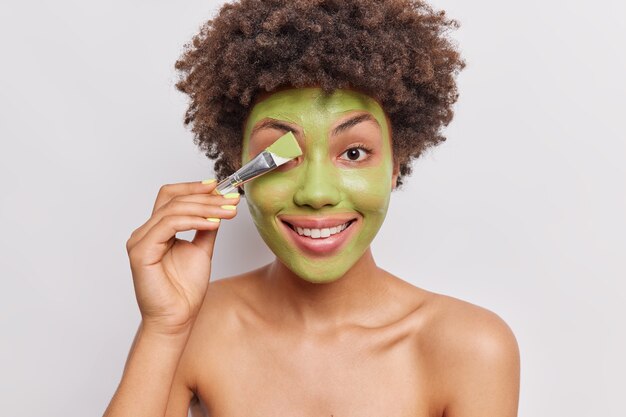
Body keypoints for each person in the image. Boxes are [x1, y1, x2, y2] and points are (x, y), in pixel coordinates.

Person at [104, 1, 520, 416]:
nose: (316, 193)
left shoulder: (469, 347)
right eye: (281, 157)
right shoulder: (197, 326)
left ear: (395, 164)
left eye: (354, 152)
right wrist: (163, 329)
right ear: (241, 172)